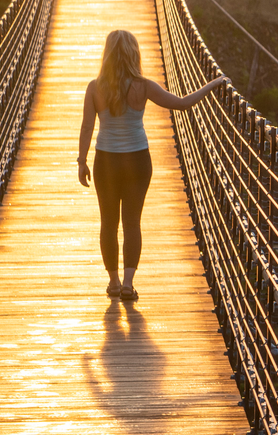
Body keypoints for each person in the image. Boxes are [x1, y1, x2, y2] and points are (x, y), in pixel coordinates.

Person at [77, 30, 224, 301]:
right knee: (132, 222)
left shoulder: (95, 87)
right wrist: (213, 84)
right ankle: (128, 285)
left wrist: (82, 161)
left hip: (106, 161)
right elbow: (182, 104)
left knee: (108, 223)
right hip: (138, 161)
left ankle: (112, 282)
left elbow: (87, 126)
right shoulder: (143, 86)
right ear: (134, 52)